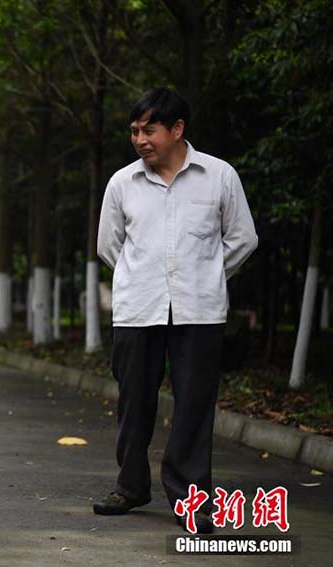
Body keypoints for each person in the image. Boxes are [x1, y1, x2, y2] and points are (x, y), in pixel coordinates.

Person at [94, 87, 258, 533]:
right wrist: (143, 277)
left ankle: (191, 500)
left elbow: (243, 238)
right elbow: (109, 246)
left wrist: (206, 272)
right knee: (134, 402)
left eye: (149, 130)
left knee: (195, 406)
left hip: (199, 310)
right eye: (134, 131)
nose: (140, 140)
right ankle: (130, 486)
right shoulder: (122, 183)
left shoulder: (219, 176)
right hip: (138, 309)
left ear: (178, 129)